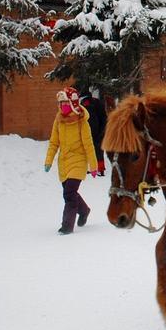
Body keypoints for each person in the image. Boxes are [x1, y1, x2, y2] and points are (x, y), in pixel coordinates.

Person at [44, 87, 99, 234]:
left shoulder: (82, 122)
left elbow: (89, 145)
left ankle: (67, 226)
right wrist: (48, 160)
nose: (62, 107)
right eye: (60, 104)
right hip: (64, 162)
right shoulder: (59, 120)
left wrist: (94, 165)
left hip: (78, 161)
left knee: (68, 194)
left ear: (73, 104)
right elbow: (54, 142)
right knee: (71, 193)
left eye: (65, 103)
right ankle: (84, 210)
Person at [79, 87, 108, 176]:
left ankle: (100, 169)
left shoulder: (95, 103)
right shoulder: (84, 104)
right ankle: (91, 168)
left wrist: (101, 131)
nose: (84, 102)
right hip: (90, 131)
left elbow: (102, 118)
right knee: (90, 150)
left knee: (98, 150)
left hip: (98, 131)